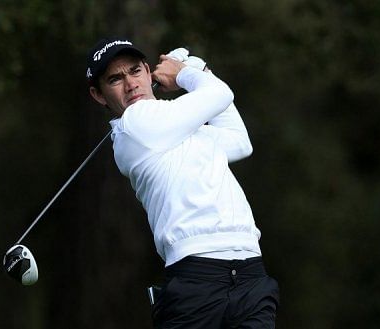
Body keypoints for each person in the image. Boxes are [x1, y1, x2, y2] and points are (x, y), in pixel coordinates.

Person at [86, 37, 279, 329]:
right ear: (99, 95)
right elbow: (220, 94)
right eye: (115, 79)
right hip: (197, 276)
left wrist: (196, 68)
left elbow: (239, 142)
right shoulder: (135, 124)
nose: (131, 84)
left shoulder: (177, 126)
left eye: (136, 71)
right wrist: (186, 73)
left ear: (149, 74)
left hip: (250, 271)